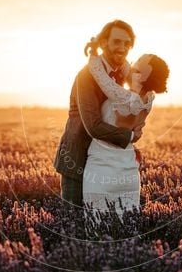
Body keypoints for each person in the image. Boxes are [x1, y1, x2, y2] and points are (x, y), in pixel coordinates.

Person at [53, 20, 145, 215]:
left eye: (127, 43)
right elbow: (93, 126)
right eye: (117, 42)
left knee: (105, 220)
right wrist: (129, 136)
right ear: (104, 43)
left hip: (107, 162)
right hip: (78, 159)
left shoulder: (122, 74)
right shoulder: (87, 76)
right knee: (75, 224)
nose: (122, 48)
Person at [81, 45, 169, 221]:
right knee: (127, 229)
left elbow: (100, 77)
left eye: (145, 57)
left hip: (102, 168)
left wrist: (93, 56)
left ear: (143, 75)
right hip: (127, 169)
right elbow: (127, 70)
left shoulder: (127, 98)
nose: (142, 54)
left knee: (98, 230)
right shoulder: (148, 98)